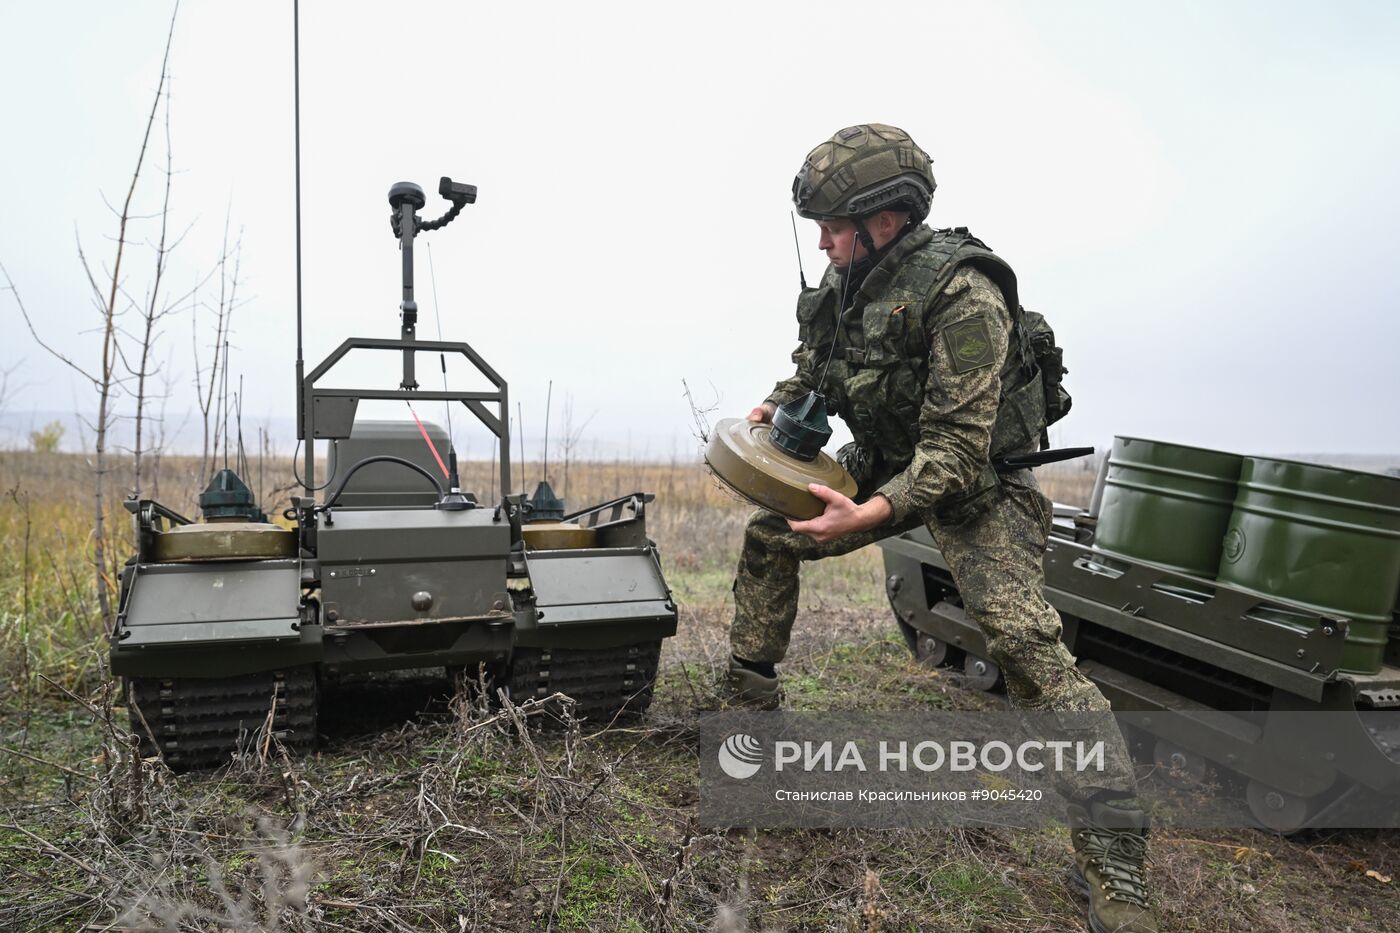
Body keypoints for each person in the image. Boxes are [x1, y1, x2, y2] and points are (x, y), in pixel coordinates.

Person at [721, 123, 1157, 933]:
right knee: (769, 537)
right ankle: (747, 735)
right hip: (885, 461)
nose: (821, 242)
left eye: (832, 224)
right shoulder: (846, 283)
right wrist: (781, 399)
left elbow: (956, 451)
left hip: (981, 487)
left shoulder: (964, 294)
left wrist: (873, 511)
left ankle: (1116, 863)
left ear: (884, 217)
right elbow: (819, 362)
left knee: (1026, 646)